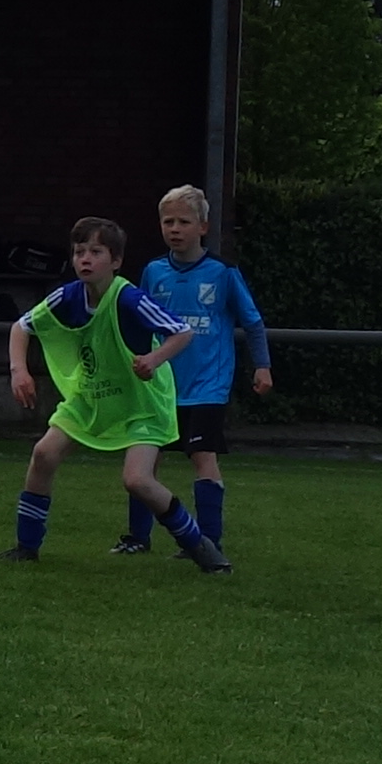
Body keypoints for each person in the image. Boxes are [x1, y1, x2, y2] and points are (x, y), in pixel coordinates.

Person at [4, 217, 223, 568]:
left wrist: (153, 359)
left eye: (95, 252)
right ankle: (26, 548)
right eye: (79, 252)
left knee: (137, 480)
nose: (85, 259)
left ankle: (201, 547)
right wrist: (19, 371)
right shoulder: (68, 296)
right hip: (93, 398)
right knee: (43, 454)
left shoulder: (129, 298)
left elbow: (182, 332)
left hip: (142, 403)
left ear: (116, 261)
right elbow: (21, 326)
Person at [132, 187, 277, 556]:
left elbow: (252, 322)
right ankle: (137, 538)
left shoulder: (222, 272)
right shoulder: (154, 271)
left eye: (184, 221)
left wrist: (262, 366)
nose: (175, 229)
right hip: (162, 384)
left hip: (207, 385)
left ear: (203, 227)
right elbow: (139, 321)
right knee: (145, 460)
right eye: (168, 221)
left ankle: (207, 541)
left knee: (202, 456)